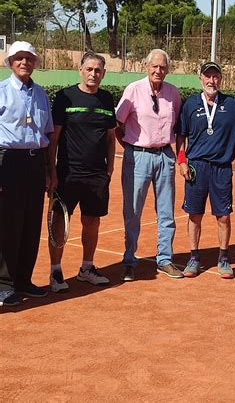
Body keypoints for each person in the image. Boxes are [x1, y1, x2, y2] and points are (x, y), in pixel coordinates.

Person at [176, 61, 235, 279]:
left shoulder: (232, 105)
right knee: (194, 215)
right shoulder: (190, 104)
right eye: (207, 76)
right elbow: (181, 135)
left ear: (220, 79)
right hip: (196, 167)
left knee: (223, 216)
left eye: (215, 77)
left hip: (221, 169)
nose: (212, 81)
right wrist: (182, 162)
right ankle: (193, 257)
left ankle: (223, 258)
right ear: (200, 78)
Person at [47, 52, 116, 292]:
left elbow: (110, 137)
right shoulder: (65, 97)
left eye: (98, 70)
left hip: (97, 175)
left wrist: (109, 169)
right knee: (59, 223)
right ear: (81, 70)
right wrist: (52, 172)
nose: (93, 74)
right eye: (89, 69)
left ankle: (87, 268)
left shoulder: (107, 100)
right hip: (68, 174)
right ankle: (55, 272)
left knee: (92, 222)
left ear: (103, 73)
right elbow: (53, 138)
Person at [116, 49, 183, 281]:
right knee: (132, 211)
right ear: (146, 67)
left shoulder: (173, 93)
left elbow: (178, 128)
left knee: (166, 213)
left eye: (163, 67)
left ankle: (164, 259)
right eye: (154, 66)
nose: (158, 71)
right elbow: (117, 123)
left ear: (167, 69)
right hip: (138, 156)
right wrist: (130, 148)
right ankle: (129, 259)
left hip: (165, 156)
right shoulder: (133, 90)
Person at [0, 41, 54, 306]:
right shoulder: (0, 91)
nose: (24, 62)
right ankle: (4, 284)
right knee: (8, 224)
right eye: (19, 58)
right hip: (8, 162)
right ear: (10, 62)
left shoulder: (41, 94)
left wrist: (47, 170)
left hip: (34, 163)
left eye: (29, 58)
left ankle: (23, 281)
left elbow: (46, 134)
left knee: (31, 225)